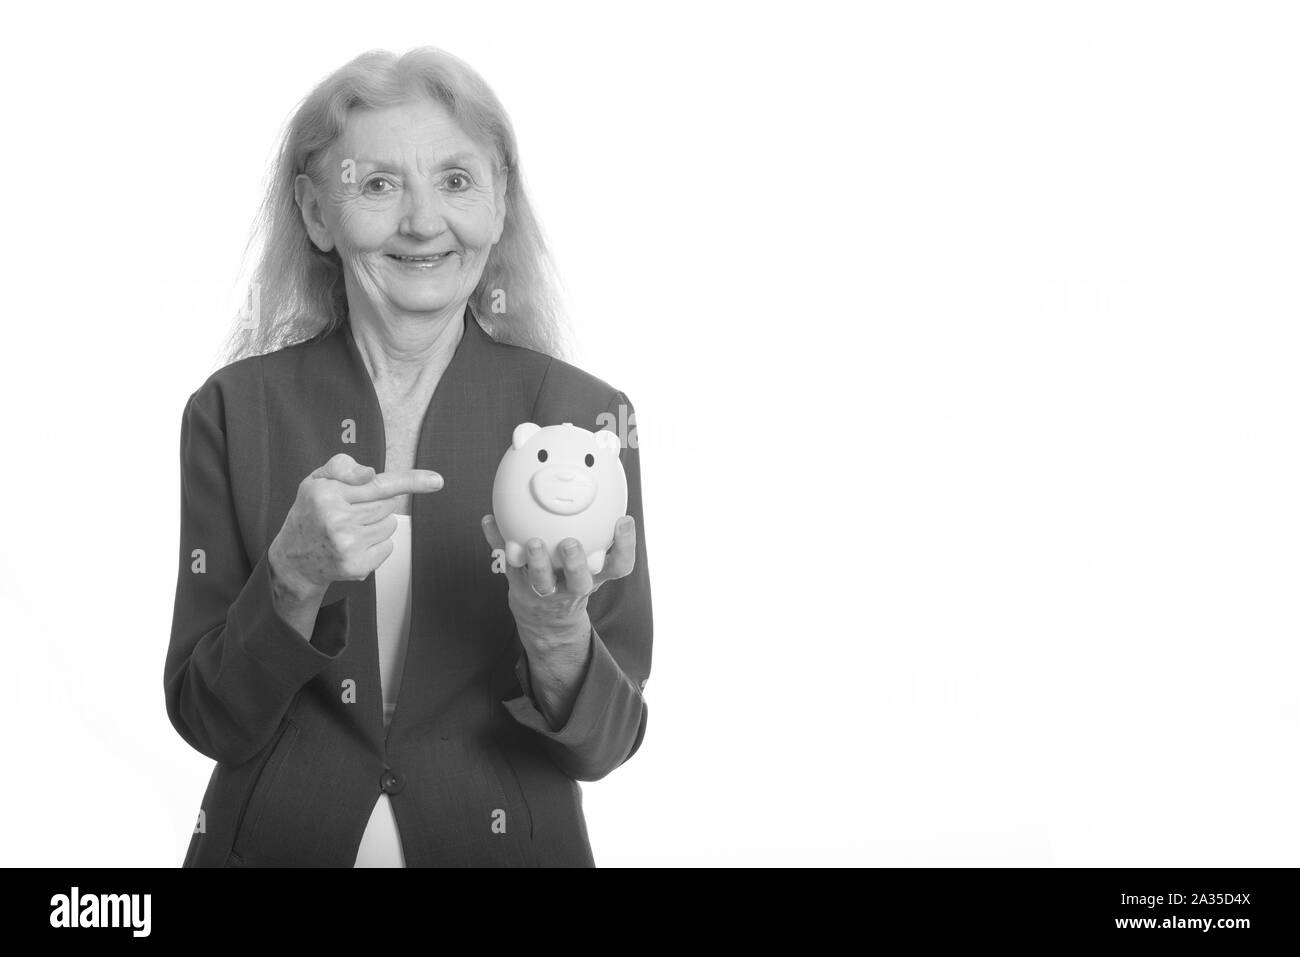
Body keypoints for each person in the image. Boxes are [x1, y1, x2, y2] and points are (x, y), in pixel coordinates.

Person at [164, 47, 652, 867]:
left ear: (499, 205)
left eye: (457, 181)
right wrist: (291, 579)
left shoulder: (582, 421)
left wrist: (556, 632)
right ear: (318, 214)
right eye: (378, 184)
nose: (424, 221)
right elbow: (206, 714)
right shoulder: (232, 411)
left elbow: (607, 744)